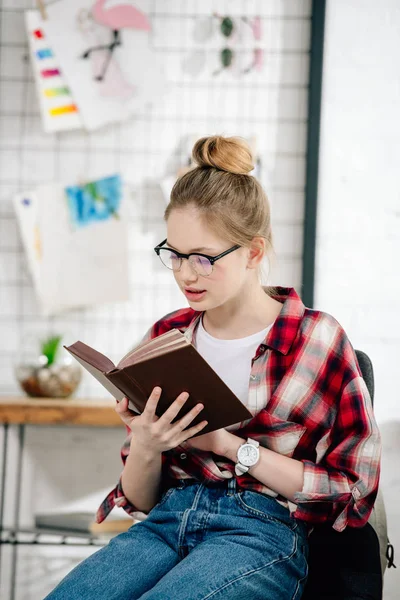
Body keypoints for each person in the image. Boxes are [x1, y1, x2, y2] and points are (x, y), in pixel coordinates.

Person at [46, 135, 381, 600]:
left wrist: (227, 444)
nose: (186, 274)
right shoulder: (168, 335)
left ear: (254, 252)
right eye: (175, 255)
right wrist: (146, 441)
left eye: (203, 258)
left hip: (259, 532)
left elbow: (352, 489)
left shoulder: (316, 339)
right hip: (166, 522)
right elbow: (141, 502)